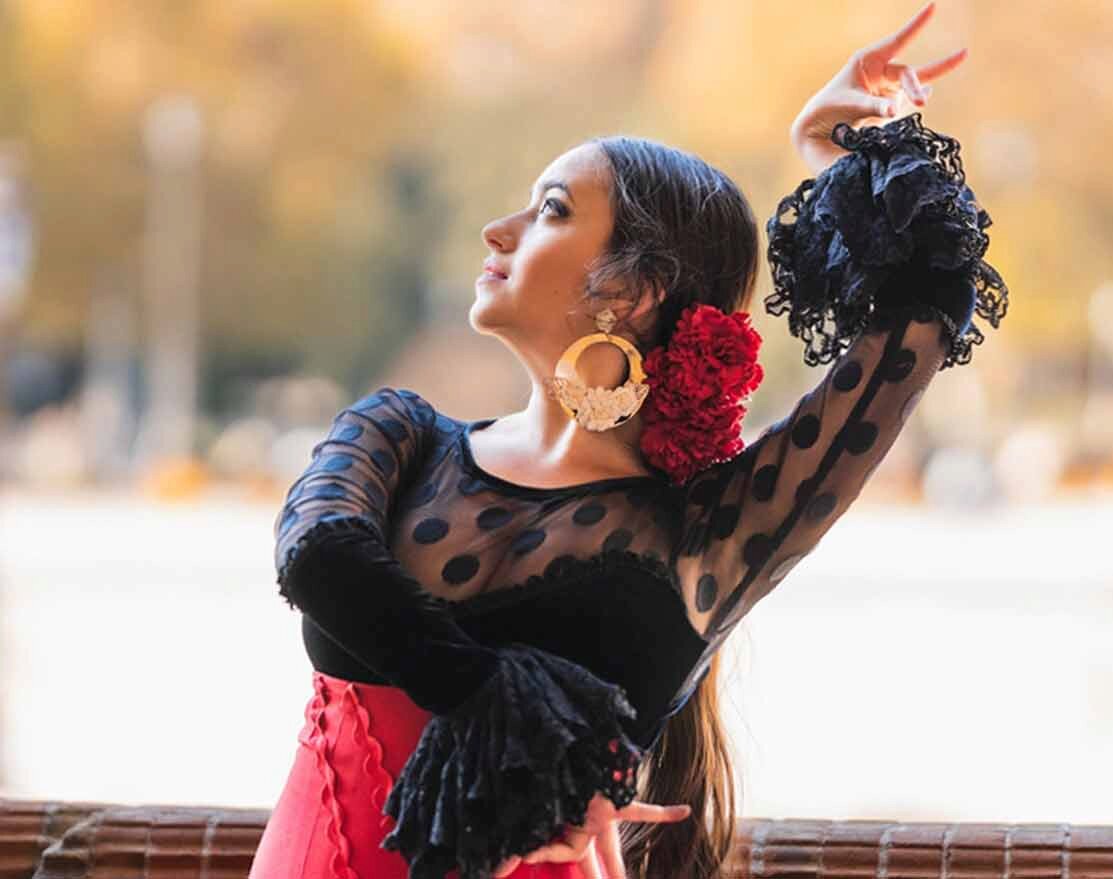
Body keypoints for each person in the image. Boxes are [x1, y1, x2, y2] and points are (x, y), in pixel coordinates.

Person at [248, 4, 1007, 879]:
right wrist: (497, 697)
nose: (500, 231)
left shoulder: (710, 531)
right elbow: (314, 555)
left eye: (552, 210)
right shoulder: (401, 430)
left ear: (634, 291)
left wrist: (837, 151)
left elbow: (919, 323)